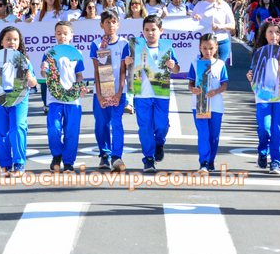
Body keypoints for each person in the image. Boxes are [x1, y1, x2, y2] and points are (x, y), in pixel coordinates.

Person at [0, 26, 37, 175]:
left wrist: (30, 78)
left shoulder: (24, 60)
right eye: (8, 39)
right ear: (1, 42)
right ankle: (5, 164)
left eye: (15, 39)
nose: (11, 42)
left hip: (19, 99)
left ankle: (19, 163)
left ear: (19, 43)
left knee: (18, 127)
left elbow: (33, 83)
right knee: (1, 131)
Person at [130, 15, 180, 173]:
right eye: (147, 30)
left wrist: (173, 66)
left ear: (161, 31)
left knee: (161, 125)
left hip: (161, 94)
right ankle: (148, 158)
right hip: (142, 95)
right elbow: (128, 68)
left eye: (153, 30)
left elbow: (177, 69)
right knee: (145, 127)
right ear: (142, 31)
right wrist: (127, 63)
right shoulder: (136, 46)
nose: (150, 33)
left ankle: (159, 142)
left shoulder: (167, 48)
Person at [248, 19, 280, 174]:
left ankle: (275, 162)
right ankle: (262, 152)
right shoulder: (259, 52)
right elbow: (253, 72)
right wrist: (250, 76)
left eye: (277, 32)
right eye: (270, 32)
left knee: (278, 129)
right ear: (264, 34)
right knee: (264, 127)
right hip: (263, 94)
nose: (273, 35)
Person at [41, 20, 86, 172]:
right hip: (54, 98)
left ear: (71, 35)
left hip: (73, 99)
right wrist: (43, 69)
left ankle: (68, 162)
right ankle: (57, 154)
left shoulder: (76, 54)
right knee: (54, 128)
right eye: (59, 34)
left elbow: (79, 75)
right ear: (55, 35)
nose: (62, 37)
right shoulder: (49, 53)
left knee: (72, 132)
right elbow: (44, 74)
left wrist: (80, 88)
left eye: (65, 34)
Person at [91, 10, 130, 172]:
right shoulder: (97, 44)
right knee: (102, 125)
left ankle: (116, 156)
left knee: (117, 123)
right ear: (101, 25)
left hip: (118, 92)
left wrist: (119, 92)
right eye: (107, 22)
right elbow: (97, 72)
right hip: (101, 91)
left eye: (114, 22)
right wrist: (100, 95)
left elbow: (123, 71)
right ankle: (104, 154)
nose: (111, 25)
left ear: (118, 24)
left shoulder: (124, 44)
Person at [188, 33, 228, 172]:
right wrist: (193, 89)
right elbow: (191, 83)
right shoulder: (195, 63)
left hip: (216, 105)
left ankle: (211, 160)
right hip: (199, 104)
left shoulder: (221, 64)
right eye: (205, 48)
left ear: (216, 48)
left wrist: (216, 92)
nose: (208, 51)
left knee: (214, 135)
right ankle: (204, 162)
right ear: (200, 48)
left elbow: (224, 85)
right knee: (203, 134)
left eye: (211, 48)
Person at [192, 0, 236, 65]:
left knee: (218, 71)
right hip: (205, 43)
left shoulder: (224, 5)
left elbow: (232, 25)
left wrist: (220, 26)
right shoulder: (199, 5)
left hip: (221, 42)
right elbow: (191, 23)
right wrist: (195, 18)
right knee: (204, 73)